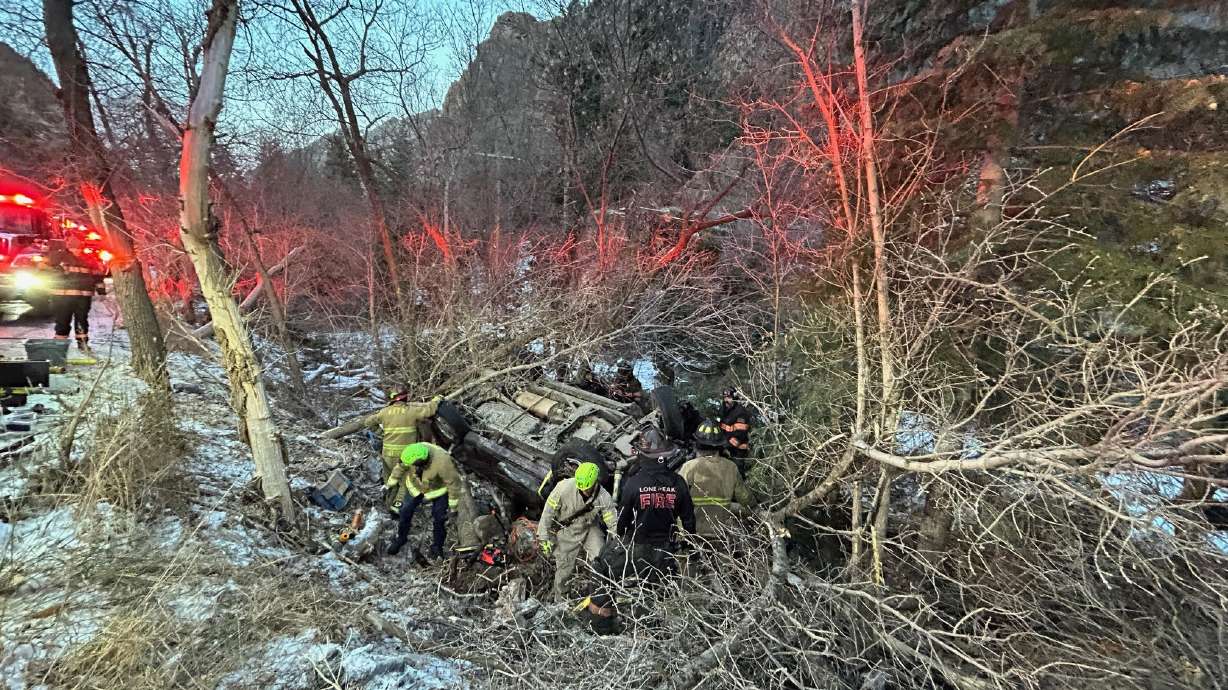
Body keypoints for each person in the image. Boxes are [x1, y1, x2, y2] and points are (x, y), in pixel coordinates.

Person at [616, 434, 695, 582]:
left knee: (642, 585)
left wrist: (622, 538)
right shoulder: (678, 483)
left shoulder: (633, 483)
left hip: (639, 546)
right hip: (667, 548)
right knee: (664, 586)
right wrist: (690, 544)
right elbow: (688, 518)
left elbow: (622, 520)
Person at [386, 442, 481, 560]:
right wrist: (391, 482)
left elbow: (453, 484)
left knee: (439, 518)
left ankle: (437, 547)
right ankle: (401, 538)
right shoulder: (411, 453)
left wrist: (453, 507)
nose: (413, 467)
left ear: (422, 461)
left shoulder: (443, 462)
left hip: (438, 490)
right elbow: (401, 466)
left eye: (415, 465)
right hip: (415, 487)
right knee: (405, 512)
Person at [538, 462, 617, 601]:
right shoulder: (563, 488)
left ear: (595, 482)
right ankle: (560, 600)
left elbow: (612, 521)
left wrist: (616, 542)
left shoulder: (603, 496)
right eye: (582, 489)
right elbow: (547, 513)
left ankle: (600, 594)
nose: (585, 491)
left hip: (589, 528)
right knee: (564, 569)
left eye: (588, 488)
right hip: (568, 531)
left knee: (601, 559)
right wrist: (543, 537)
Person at [361, 388, 440, 512]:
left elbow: (367, 422)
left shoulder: (384, 412)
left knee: (390, 481)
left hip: (387, 454)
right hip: (404, 455)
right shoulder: (411, 411)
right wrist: (437, 399)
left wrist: (381, 433)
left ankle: (387, 504)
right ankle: (397, 507)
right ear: (404, 398)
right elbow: (429, 410)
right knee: (405, 482)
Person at [678, 419, 752, 541]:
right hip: (720, 533)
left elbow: (675, 499)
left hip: (691, 536)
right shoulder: (731, 467)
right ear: (720, 445)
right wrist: (757, 510)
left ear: (697, 444)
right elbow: (745, 499)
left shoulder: (689, 467)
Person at [48, 236, 105, 356]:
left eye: (79, 249)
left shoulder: (89, 260)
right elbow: (49, 273)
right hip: (63, 297)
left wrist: (101, 291)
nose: (77, 251)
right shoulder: (59, 257)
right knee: (63, 320)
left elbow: (97, 276)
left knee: (82, 320)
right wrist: (60, 272)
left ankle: (82, 343)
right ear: (69, 248)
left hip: (83, 297)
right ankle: (60, 344)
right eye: (74, 248)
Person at [718, 387, 753, 473]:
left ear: (735, 398)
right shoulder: (724, 409)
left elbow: (740, 435)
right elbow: (721, 426)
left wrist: (726, 443)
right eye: (725, 397)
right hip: (725, 445)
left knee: (737, 472)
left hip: (738, 449)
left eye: (729, 398)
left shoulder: (741, 412)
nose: (726, 400)